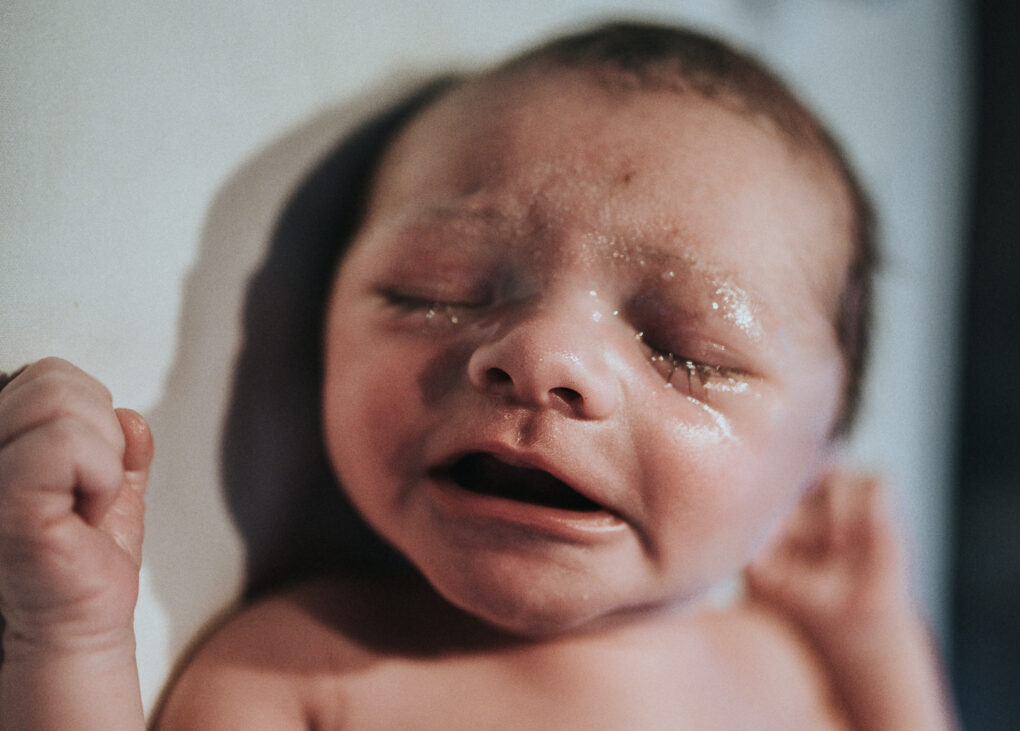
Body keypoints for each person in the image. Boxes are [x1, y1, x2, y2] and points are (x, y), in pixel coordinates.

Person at [0, 21, 955, 729]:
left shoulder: (789, 673)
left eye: (685, 346)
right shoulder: (307, 668)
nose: (543, 356)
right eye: (438, 291)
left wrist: (881, 649)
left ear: (820, 452)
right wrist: (69, 633)